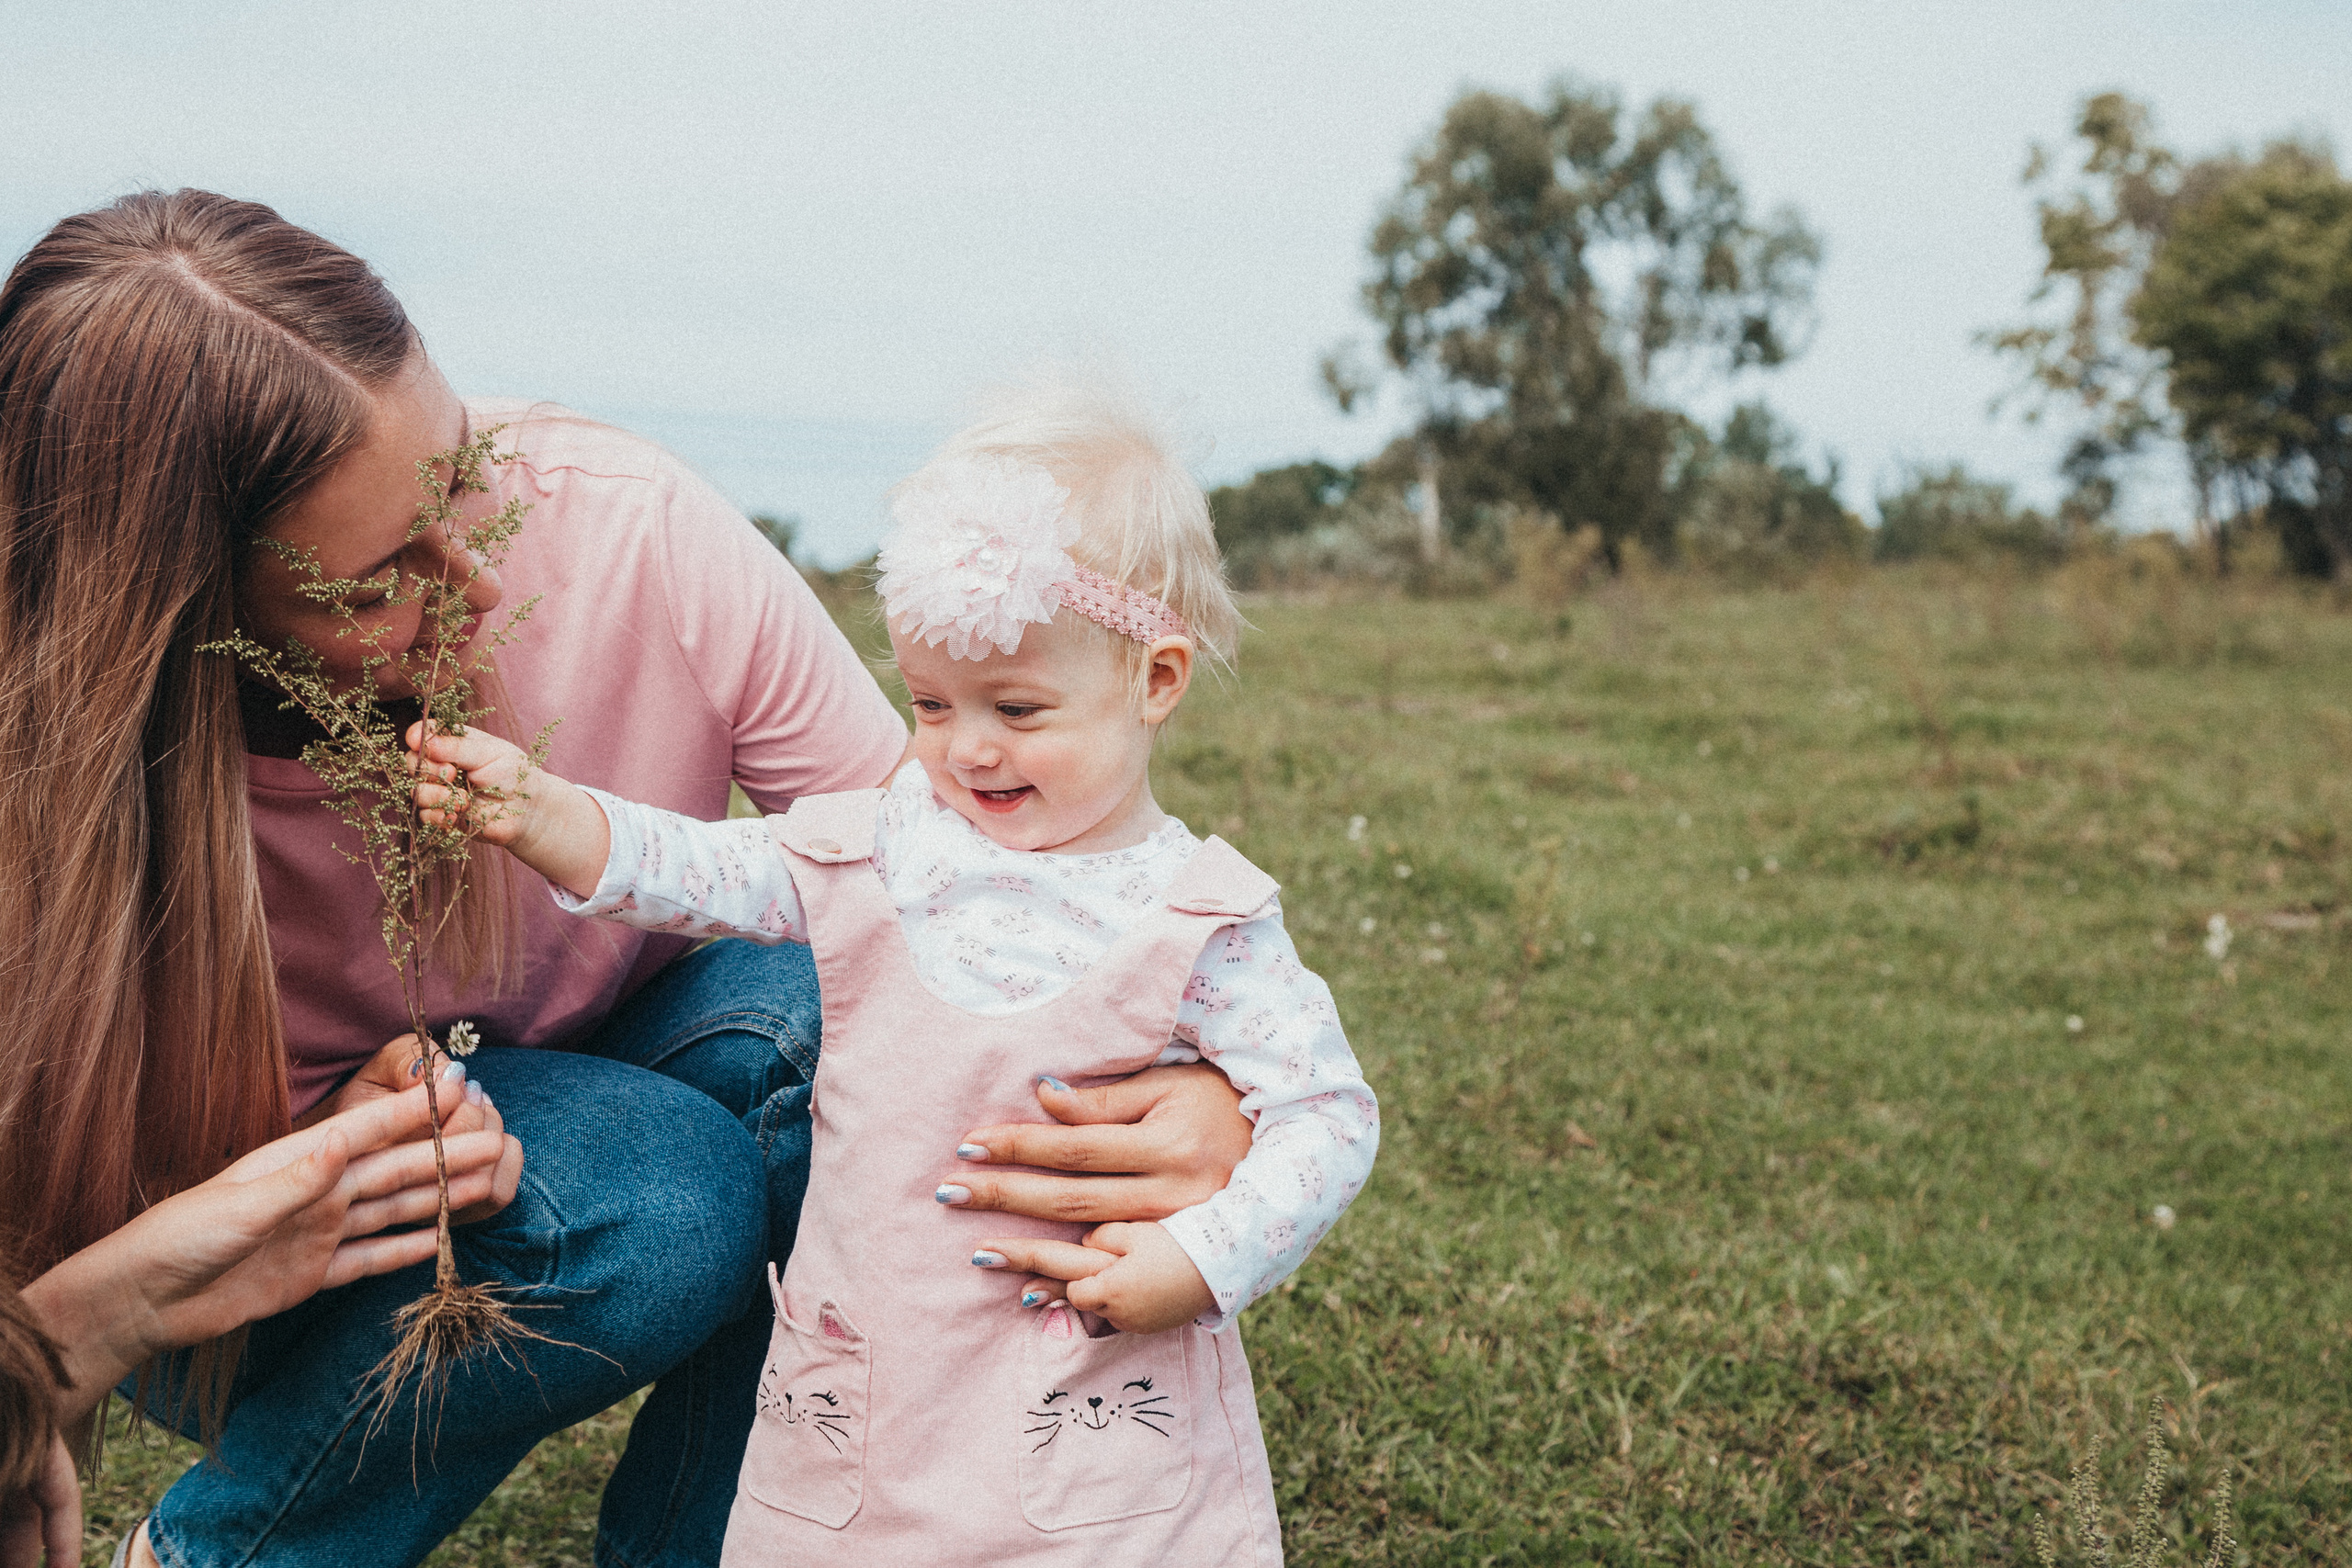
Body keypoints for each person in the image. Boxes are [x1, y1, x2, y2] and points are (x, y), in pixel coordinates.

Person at [0, 190, 1252, 1568]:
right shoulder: (39, 747)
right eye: (373, 582)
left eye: (459, 476)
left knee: (821, 1019)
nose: (476, 583)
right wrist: (281, 1148)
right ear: (177, 614)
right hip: (247, 1267)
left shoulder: (631, 533)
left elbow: (950, 880)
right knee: (662, 1194)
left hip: (616, 1083)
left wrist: (1193, 1077)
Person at [411, 378, 1380, 1562]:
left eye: (1018, 708)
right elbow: (701, 868)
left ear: (1154, 680)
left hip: (1078, 1383)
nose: (967, 747)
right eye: (929, 702)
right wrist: (543, 811)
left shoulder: (1199, 923)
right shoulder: (882, 850)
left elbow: (1327, 1116)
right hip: (872, 1371)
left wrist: (1202, 1256)